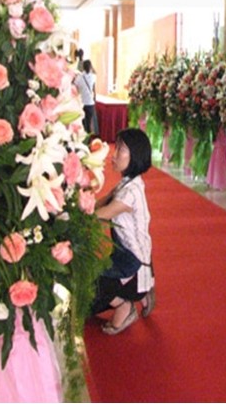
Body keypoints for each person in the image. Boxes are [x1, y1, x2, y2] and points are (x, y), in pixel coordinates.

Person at [91, 128, 156, 334]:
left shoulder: (130, 193)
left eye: (120, 150)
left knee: (92, 287)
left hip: (134, 263)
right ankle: (141, 292)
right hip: (127, 257)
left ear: (134, 155)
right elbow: (99, 203)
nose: (114, 154)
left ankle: (125, 306)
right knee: (89, 301)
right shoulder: (127, 183)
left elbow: (101, 214)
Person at [74, 59, 99, 134]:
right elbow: (94, 88)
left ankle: (83, 135)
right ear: (90, 67)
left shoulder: (79, 77)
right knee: (89, 122)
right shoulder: (93, 76)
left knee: (82, 122)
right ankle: (89, 135)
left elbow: (75, 86)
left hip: (81, 102)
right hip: (90, 102)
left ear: (83, 67)